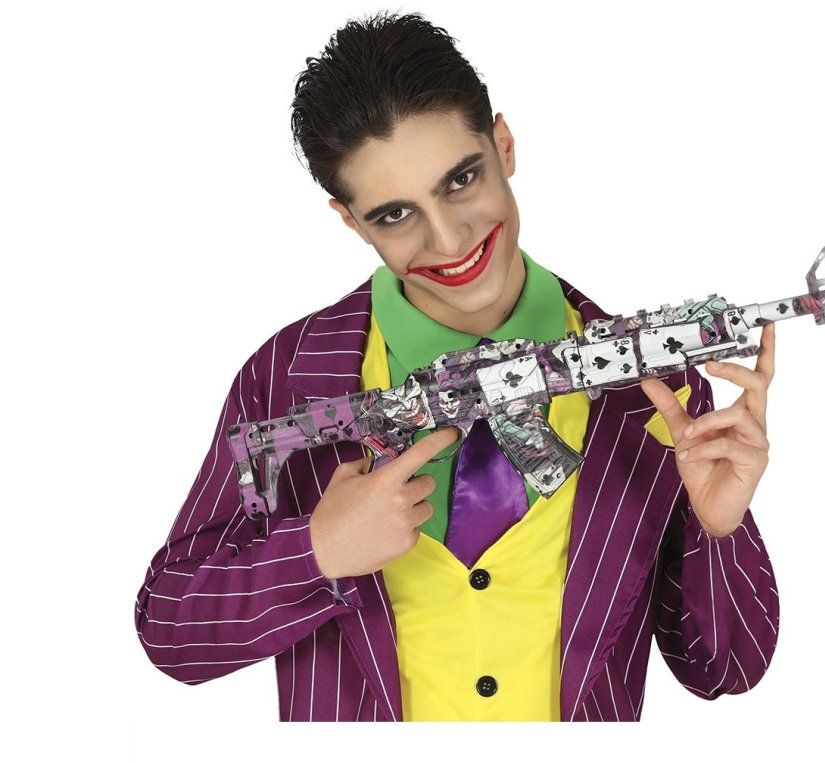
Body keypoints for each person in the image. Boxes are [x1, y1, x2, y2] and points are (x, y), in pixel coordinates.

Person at [134, 10, 780, 722]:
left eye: (461, 179)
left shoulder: (652, 389)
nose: (448, 240)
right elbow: (170, 634)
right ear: (349, 220)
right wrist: (315, 552)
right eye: (393, 215)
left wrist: (718, 529)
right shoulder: (288, 377)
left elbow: (728, 670)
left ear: (503, 146)